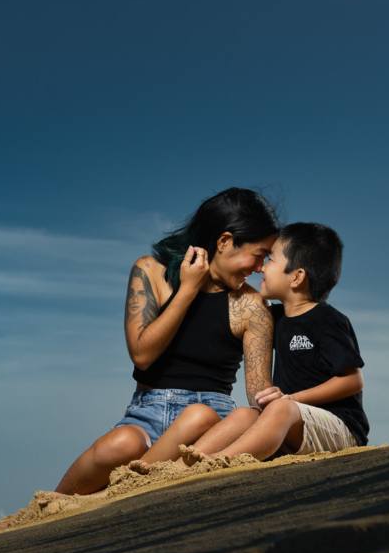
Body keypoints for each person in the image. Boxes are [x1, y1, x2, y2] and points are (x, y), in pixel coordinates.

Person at [53, 187, 279, 495]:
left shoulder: (252, 306)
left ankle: (124, 491)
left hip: (212, 421)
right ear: (225, 242)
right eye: (258, 255)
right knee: (120, 444)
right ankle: (43, 512)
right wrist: (188, 289)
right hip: (146, 412)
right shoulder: (151, 272)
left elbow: (258, 394)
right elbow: (142, 355)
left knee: (202, 416)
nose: (260, 268)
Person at [154, 222, 368, 463]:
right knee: (246, 414)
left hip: (339, 428)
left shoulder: (327, 319)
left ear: (296, 277)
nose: (262, 268)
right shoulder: (273, 318)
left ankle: (220, 460)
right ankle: (186, 464)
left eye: (271, 260)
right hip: (292, 427)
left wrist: (292, 398)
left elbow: (352, 380)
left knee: (279, 408)